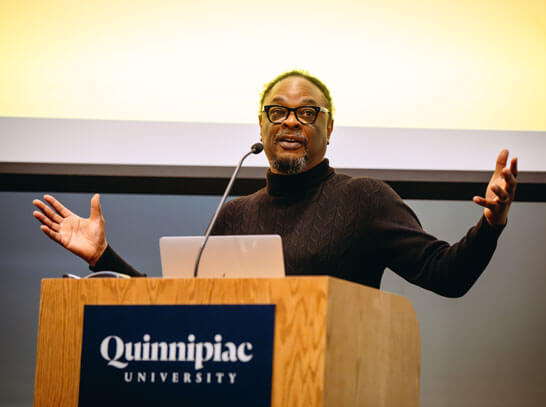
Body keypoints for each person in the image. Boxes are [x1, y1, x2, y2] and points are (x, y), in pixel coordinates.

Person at [32, 70, 518, 296]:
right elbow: (180, 307)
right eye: (277, 112)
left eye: (308, 112)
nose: (291, 122)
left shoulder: (364, 199)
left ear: (329, 130)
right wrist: (103, 257)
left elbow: (447, 275)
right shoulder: (235, 213)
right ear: (261, 128)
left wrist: (490, 224)